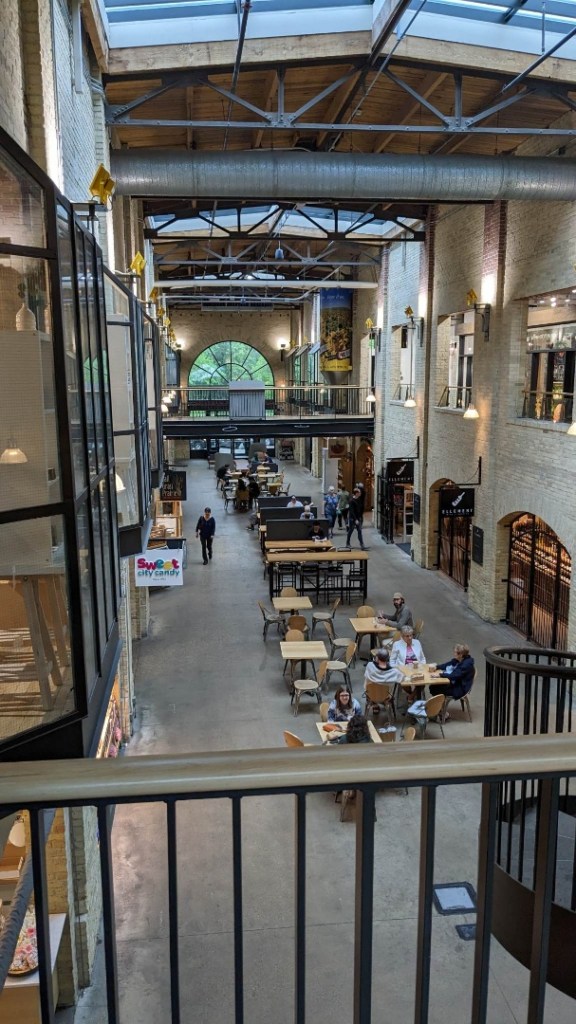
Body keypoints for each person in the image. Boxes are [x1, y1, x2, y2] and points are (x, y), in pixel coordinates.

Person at [429, 644, 475, 715]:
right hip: (456, 683)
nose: (454, 654)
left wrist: (440, 675)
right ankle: (440, 708)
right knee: (434, 686)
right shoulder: (459, 660)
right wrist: (437, 667)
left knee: (434, 688)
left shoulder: (466, 665)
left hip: (460, 688)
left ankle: (441, 711)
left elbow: (454, 675)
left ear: (461, 655)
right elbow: (448, 664)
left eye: (455, 652)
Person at [390, 625, 426, 704]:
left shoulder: (417, 642)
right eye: (407, 636)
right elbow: (392, 661)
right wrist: (398, 669)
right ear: (402, 636)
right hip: (403, 671)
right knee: (406, 684)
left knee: (422, 682)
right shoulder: (397, 644)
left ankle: (411, 697)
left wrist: (422, 667)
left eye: (411, 635)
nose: (410, 638)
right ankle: (414, 696)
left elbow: (423, 658)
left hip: (417, 669)